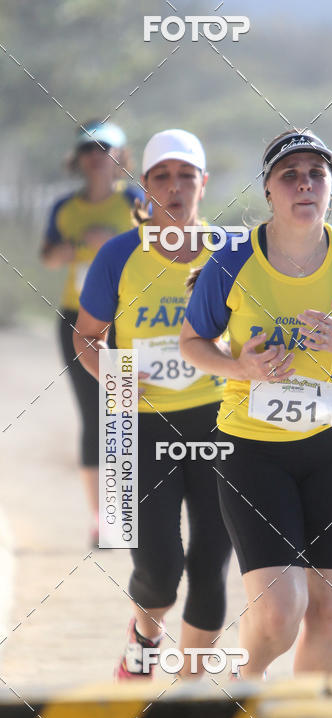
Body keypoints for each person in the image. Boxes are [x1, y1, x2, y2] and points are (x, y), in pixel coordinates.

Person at [180, 129, 332, 678]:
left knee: (330, 611)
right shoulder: (232, 261)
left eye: (317, 174)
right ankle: (246, 684)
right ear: (268, 191)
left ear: (331, 188)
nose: (304, 184)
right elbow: (191, 345)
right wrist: (239, 366)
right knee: (283, 612)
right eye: (290, 174)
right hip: (253, 449)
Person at [73, 129, 232, 679]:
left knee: (212, 561)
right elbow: (87, 336)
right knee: (160, 568)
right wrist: (116, 378)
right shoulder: (119, 254)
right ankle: (145, 631)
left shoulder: (232, 254)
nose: (174, 187)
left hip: (220, 420)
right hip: (139, 424)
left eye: (186, 175)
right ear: (144, 187)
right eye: (162, 176)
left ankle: (192, 691)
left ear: (203, 185)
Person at [41, 120, 143, 545]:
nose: (97, 154)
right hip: (77, 319)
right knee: (92, 415)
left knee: (122, 415)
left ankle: (125, 513)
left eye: (106, 147)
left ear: (121, 156)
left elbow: (156, 246)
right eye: (89, 148)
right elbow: (49, 257)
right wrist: (80, 245)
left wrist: (114, 241)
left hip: (127, 318)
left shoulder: (137, 200)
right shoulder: (65, 207)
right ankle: (100, 519)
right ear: (78, 158)